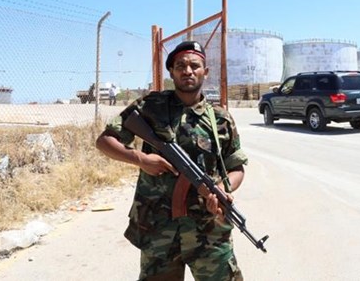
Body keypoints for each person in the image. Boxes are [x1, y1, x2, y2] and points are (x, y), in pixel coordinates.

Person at [96, 41, 247, 281]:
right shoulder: (150, 106)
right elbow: (105, 142)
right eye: (181, 65)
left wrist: (221, 189)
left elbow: (236, 167)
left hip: (209, 230)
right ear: (172, 71)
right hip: (159, 229)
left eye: (194, 65)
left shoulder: (221, 118)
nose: (188, 71)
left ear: (205, 72)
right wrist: (141, 159)